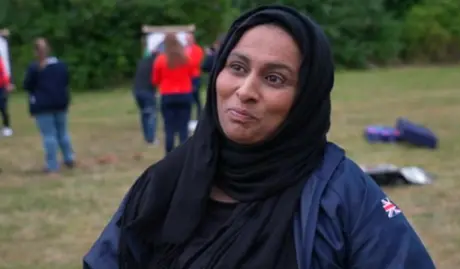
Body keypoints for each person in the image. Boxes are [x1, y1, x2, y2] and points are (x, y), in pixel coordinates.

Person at [83, 5, 436, 269]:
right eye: (236, 68)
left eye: (275, 79)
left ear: (305, 99)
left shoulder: (342, 195)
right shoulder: (163, 182)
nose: (245, 90)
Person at [23, 38, 75, 173]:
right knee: (62, 132)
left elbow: (27, 85)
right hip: (60, 102)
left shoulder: (34, 68)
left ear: (35, 52)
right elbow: (66, 80)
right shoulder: (60, 65)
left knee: (49, 135)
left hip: (43, 105)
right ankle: (69, 158)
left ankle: (52, 164)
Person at [152, 33, 194, 153]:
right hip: (184, 94)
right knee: (183, 128)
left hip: (168, 95)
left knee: (169, 127)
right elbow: (192, 74)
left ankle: (169, 154)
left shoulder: (160, 60)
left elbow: (155, 80)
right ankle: (184, 154)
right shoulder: (186, 59)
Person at [132, 43, 160, 145]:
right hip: (147, 91)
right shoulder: (155, 63)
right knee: (151, 114)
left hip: (136, 90)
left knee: (144, 114)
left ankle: (147, 137)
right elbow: (155, 79)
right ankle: (151, 139)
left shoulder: (142, 62)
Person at [185, 32, 204, 119]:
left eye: (190, 38)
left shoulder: (198, 49)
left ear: (193, 39)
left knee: (196, 97)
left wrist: (187, 62)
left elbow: (196, 62)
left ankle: (199, 116)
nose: (188, 40)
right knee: (187, 98)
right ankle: (188, 117)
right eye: (187, 38)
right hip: (185, 77)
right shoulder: (183, 49)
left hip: (195, 76)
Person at [0, 55, 14, 136]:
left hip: (1, 87)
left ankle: (7, 127)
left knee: (3, 107)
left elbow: (3, 73)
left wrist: (8, 84)